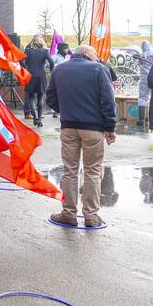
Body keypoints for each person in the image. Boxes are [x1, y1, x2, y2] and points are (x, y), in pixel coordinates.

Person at [45, 45, 117, 228]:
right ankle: (91, 216)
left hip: (68, 127)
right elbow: (108, 100)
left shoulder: (59, 69)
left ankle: (68, 213)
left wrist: (65, 111)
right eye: (95, 54)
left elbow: (50, 98)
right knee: (92, 171)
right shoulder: (99, 69)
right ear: (86, 53)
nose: (97, 57)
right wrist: (110, 127)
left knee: (70, 170)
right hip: (93, 128)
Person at [21, 36, 55, 126]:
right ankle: (39, 119)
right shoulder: (45, 51)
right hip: (41, 75)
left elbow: (21, 61)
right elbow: (51, 62)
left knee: (31, 97)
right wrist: (51, 70)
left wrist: (25, 68)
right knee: (40, 97)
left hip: (30, 75)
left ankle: (35, 117)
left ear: (33, 42)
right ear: (42, 42)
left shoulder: (28, 51)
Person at [136, 40, 153, 132]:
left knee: (142, 98)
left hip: (143, 80)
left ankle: (141, 119)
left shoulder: (141, 55)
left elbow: (138, 65)